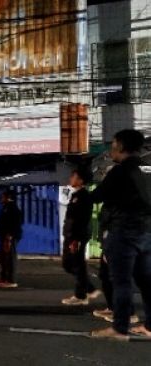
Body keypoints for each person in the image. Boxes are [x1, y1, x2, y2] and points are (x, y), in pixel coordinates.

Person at [90, 129, 151, 340]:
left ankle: (120, 328)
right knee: (146, 282)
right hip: (144, 233)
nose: (111, 148)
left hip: (123, 233)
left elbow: (96, 196)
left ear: (122, 146)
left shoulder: (119, 172)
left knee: (122, 282)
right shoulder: (141, 174)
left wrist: (104, 179)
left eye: (114, 144)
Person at [60, 168, 101, 306]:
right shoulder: (76, 195)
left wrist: (75, 239)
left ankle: (81, 295)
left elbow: (81, 220)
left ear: (81, 180)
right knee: (72, 264)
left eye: (74, 176)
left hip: (76, 236)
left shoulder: (83, 196)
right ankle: (89, 289)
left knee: (74, 264)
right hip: (72, 235)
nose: (71, 178)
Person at [0, 189, 22, 288]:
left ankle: (11, 280)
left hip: (9, 237)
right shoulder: (6, 207)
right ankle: (4, 278)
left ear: (8, 197)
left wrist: (9, 236)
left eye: (3, 196)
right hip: (4, 236)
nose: (1, 198)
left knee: (10, 257)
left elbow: (14, 223)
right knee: (3, 257)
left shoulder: (12, 208)